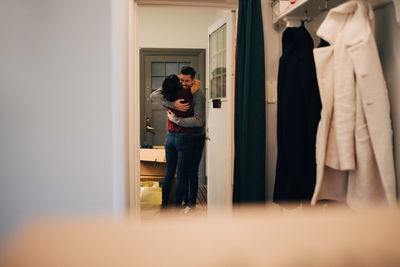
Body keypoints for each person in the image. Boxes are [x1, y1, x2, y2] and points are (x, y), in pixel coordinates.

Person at [151, 66, 205, 208]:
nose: (183, 83)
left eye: (187, 81)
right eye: (181, 79)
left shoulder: (192, 93)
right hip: (182, 137)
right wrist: (173, 104)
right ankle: (178, 205)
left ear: (193, 80)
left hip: (190, 136)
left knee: (185, 172)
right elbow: (153, 96)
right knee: (182, 174)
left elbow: (199, 121)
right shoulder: (184, 92)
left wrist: (175, 118)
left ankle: (178, 203)